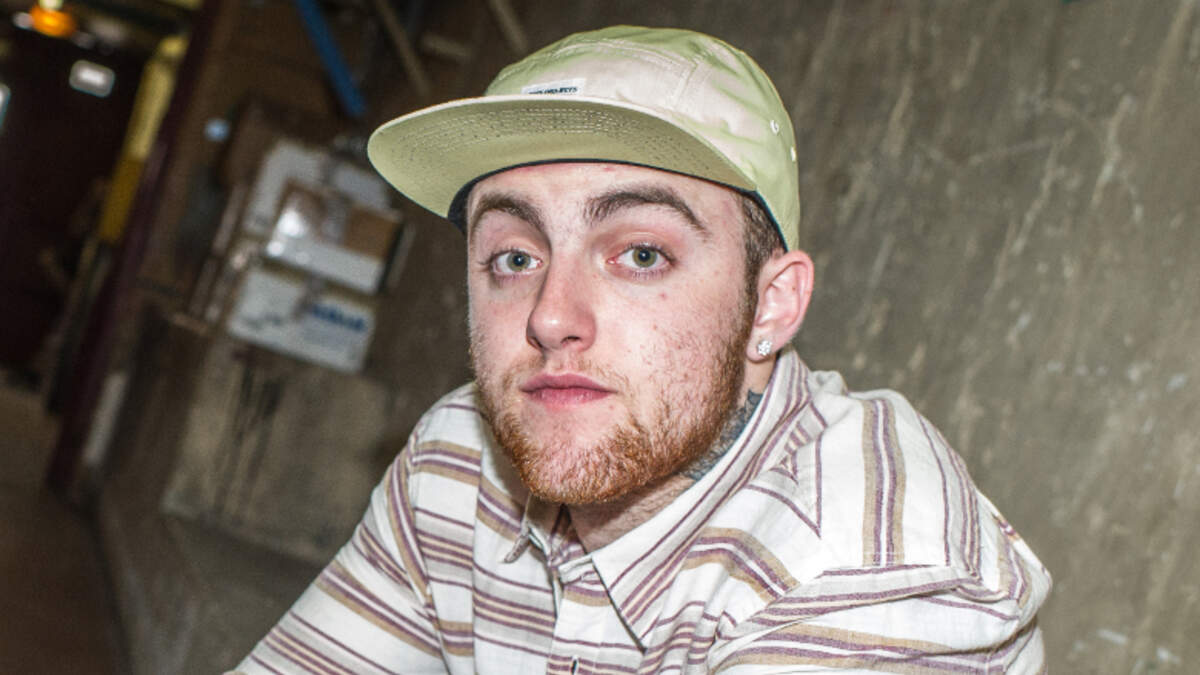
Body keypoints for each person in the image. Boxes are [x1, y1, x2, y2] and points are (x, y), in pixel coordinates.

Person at [233, 25, 1050, 674]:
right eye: (514, 257)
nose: (551, 316)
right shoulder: (458, 463)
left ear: (771, 303)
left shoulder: (873, 567)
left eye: (642, 254)